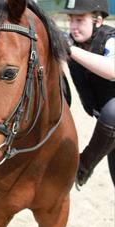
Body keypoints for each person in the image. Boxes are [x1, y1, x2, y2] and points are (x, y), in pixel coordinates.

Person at [60, 0, 115, 187]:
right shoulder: (74, 42)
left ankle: (84, 165)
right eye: (71, 20)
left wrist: (70, 50)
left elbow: (113, 70)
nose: (74, 27)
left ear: (98, 21)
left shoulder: (110, 39)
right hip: (110, 132)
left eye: (80, 20)